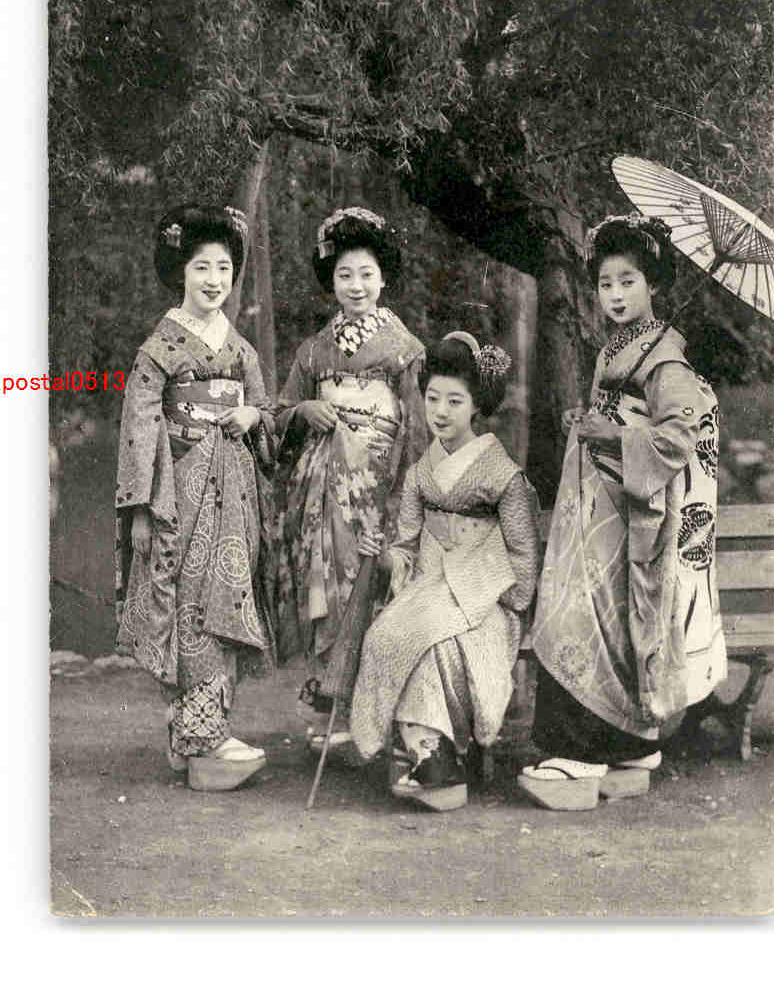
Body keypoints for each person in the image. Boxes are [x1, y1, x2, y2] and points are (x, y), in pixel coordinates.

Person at [519, 213, 726, 810]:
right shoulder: (622, 346)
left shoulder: (666, 360)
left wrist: (611, 436)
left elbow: (677, 438)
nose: (614, 294)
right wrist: (589, 424)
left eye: (628, 281)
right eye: (605, 283)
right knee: (592, 618)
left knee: (590, 620)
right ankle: (629, 750)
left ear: (652, 283)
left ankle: (581, 752)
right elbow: (614, 413)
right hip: (603, 510)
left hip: (629, 515)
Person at [115, 204, 278, 792]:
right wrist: (140, 509)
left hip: (234, 493)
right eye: (201, 267)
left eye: (224, 268)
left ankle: (201, 734)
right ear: (180, 272)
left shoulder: (240, 348)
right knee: (188, 605)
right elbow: (139, 428)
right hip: (178, 495)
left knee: (226, 597)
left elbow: (265, 409)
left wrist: (251, 415)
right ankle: (199, 738)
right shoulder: (159, 347)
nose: (214, 280)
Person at [350, 332, 540, 811]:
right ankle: (427, 752)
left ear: (476, 406)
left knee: (441, 644)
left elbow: (522, 557)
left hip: (486, 599)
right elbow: (405, 549)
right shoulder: (420, 473)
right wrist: (382, 555)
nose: (440, 411)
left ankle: (436, 754)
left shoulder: (503, 475)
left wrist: (486, 593)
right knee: (388, 635)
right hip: (427, 590)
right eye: (433, 398)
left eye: (455, 401)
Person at [273, 207, 426, 751]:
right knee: (325, 590)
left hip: (376, 484)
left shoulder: (405, 350)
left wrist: (403, 494)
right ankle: (328, 703)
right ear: (331, 280)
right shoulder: (314, 349)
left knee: (369, 583)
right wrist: (304, 411)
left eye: (366, 274)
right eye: (344, 275)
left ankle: (368, 708)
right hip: (320, 489)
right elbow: (281, 413)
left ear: (383, 279)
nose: (356, 286)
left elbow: (416, 429)